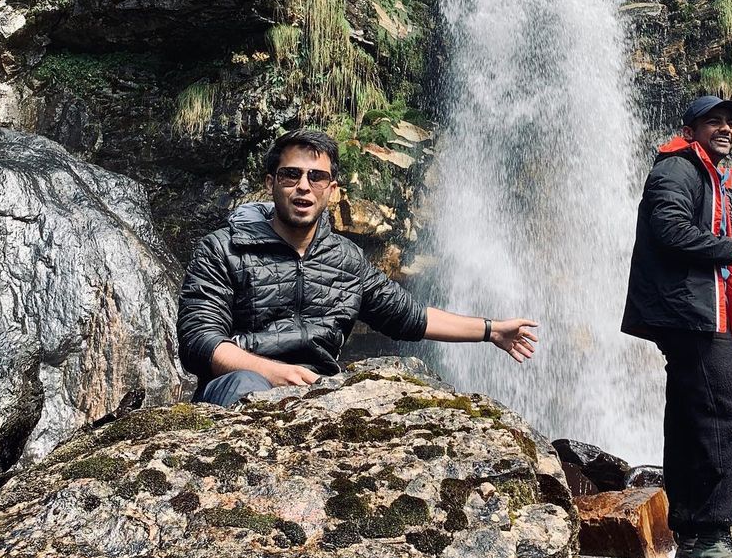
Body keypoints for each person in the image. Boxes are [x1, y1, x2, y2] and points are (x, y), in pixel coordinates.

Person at [177, 129, 538, 406]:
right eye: (291, 175)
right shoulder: (224, 248)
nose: (304, 186)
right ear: (272, 183)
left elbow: (409, 316)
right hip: (237, 388)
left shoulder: (346, 260)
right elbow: (199, 341)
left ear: (331, 189)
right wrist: (273, 373)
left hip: (319, 394)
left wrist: (491, 331)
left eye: (316, 177)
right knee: (247, 386)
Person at [621, 95, 732, 558]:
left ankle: (693, 536)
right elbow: (670, 231)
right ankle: (710, 535)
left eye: (730, 122)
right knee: (730, 416)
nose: (726, 128)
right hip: (690, 317)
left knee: (694, 421)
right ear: (691, 131)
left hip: (699, 315)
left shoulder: (711, 176)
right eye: (715, 122)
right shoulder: (677, 171)